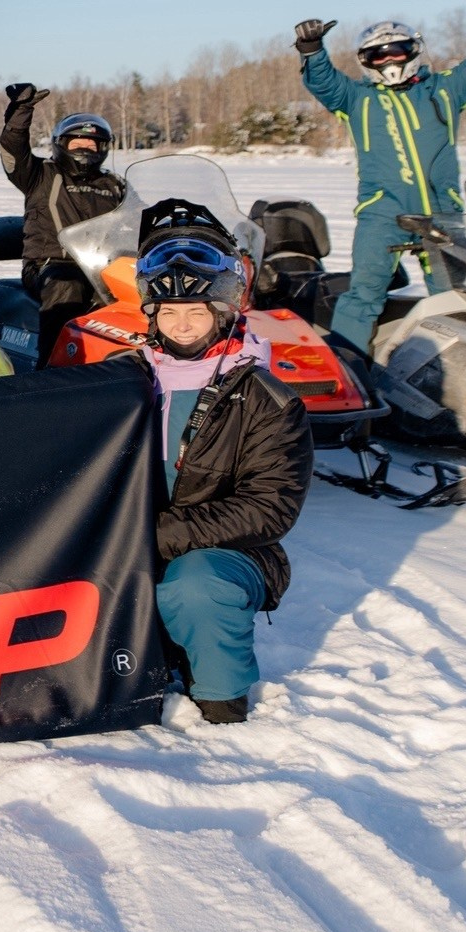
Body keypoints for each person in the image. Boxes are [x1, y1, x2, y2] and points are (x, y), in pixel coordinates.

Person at [132, 198, 312, 725]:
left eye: (195, 311)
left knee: (194, 584)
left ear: (223, 311)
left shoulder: (264, 397)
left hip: (230, 553)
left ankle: (221, 703)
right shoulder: (123, 380)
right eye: (169, 312)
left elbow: (268, 508)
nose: (182, 326)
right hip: (132, 536)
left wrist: (156, 534)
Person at [296, 0, 466, 349]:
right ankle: (349, 374)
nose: (390, 61)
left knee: (451, 297)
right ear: (366, 62)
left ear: (414, 52)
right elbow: (325, 83)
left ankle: (456, 367)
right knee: (364, 296)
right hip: (382, 211)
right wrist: (313, 50)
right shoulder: (358, 99)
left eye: (398, 51)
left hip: (442, 213)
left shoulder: (445, 90)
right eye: (379, 55)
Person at [0, 88, 126, 350]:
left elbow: (140, 217)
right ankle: (54, 369)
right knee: (67, 286)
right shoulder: (40, 175)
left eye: (91, 144)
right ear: (61, 145)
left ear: (102, 148)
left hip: (104, 268)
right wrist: (21, 111)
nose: (85, 148)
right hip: (49, 265)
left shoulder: (114, 184)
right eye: (77, 143)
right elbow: (13, 149)